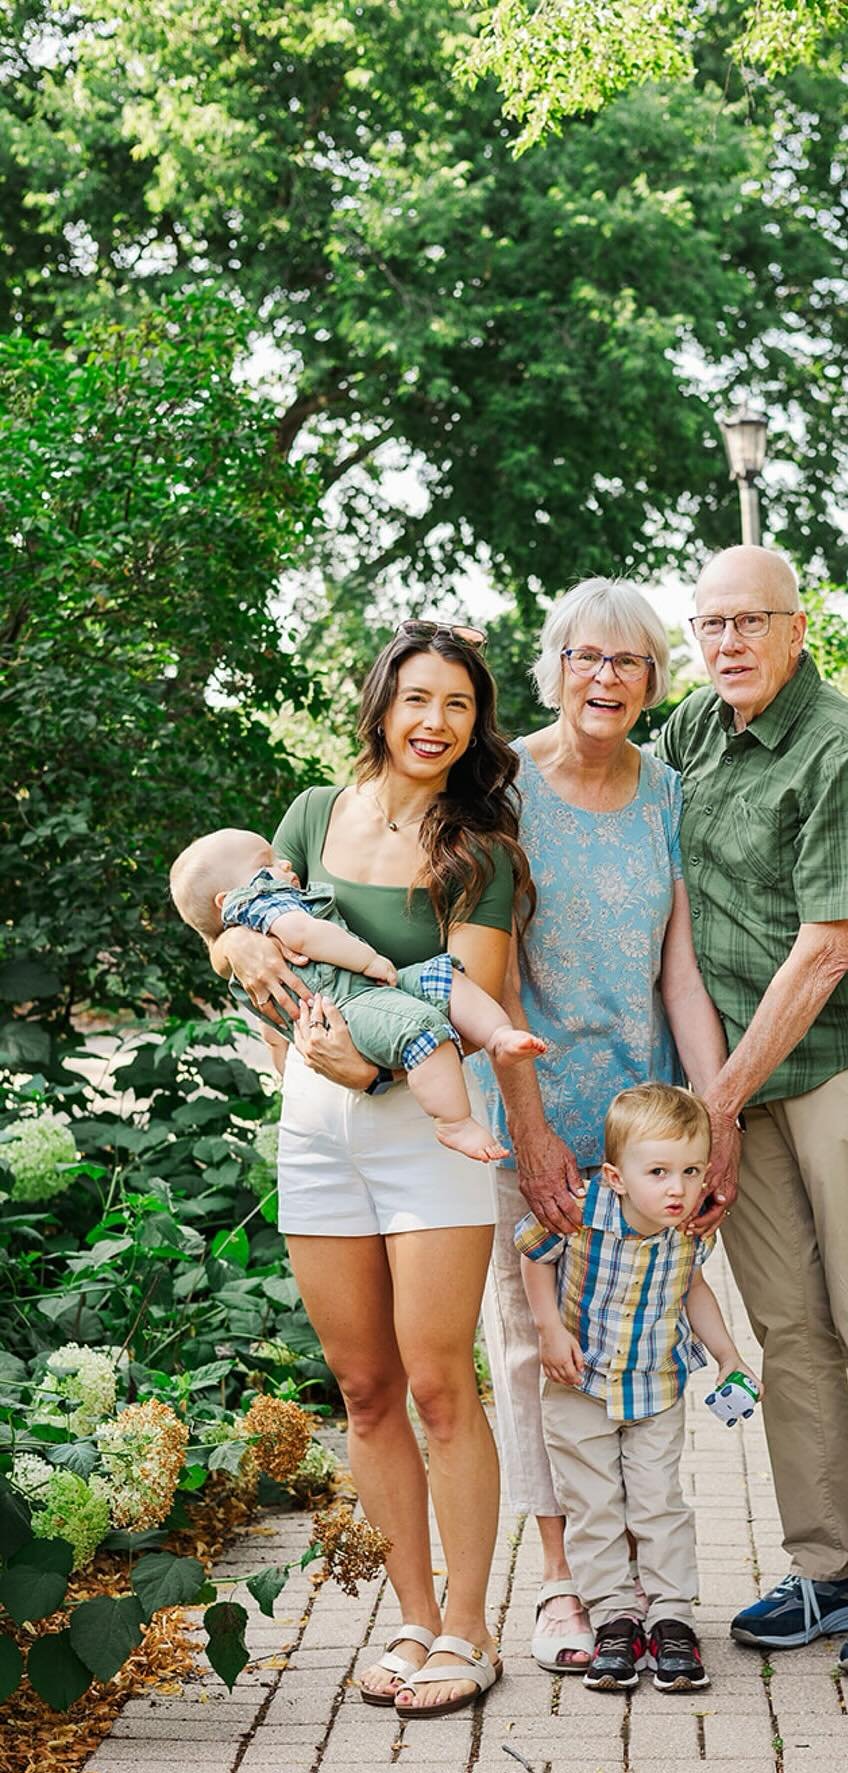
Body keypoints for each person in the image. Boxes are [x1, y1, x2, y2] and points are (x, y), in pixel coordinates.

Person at [209, 620, 531, 1717]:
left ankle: (474, 1628)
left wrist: (366, 1070)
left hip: (421, 1128)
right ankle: (412, 1616)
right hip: (313, 1132)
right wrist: (234, 947)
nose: (435, 723)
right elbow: (244, 921)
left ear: (477, 721)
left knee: (441, 1386)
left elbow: (457, 999)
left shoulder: (480, 850)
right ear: (381, 705)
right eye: (416, 699)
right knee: (363, 1389)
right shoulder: (310, 813)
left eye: (457, 704)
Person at [656, 545, 848, 1679]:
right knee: (788, 1331)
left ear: (796, 625)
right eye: (709, 624)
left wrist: (713, 1106)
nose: (726, 643)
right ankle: (827, 1567)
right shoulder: (693, 730)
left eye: (748, 621)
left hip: (837, 1069)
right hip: (737, 1089)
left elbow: (827, 952)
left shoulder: (846, 747)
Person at [472, 576, 739, 1674]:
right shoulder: (505, 789)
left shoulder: (665, 791)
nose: (606, 678)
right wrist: (532, 1133)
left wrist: (713, 1118)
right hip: (532, 1107)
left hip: (647, 1129)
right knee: (540, 1347)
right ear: (556, 666)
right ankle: (560, 1586)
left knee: (635, 1345)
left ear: (651, 682)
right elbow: (496, 975)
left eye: (628, 662)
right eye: (587, 657)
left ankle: (652, 1591)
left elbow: (679, 973)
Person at [516, 1084, 756, 1695]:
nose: (677, 1189)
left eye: (690, 1171)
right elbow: (532, 1254)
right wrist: (548, 1330)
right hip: (580, 1387)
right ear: (618, 1177)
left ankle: (672, 1616)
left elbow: (694, 1289)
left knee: (658, 1504)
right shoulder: (580, 1211)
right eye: (658, 1173)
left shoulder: (690, 1229)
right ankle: (616, 1619)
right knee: (594, 1508)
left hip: (655, 1389)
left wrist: (728, 1354)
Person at [170, 830, 545, 1161]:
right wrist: (367, 959)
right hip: (345, 1006)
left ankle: (497, 1036)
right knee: (422, 1028)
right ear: (229, 900)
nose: (282, 861)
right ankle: (454, 1122)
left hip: (365, 991)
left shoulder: (268, 900)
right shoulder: (260, 903)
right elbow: (304, 935)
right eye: (266, 862)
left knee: (442, 977)